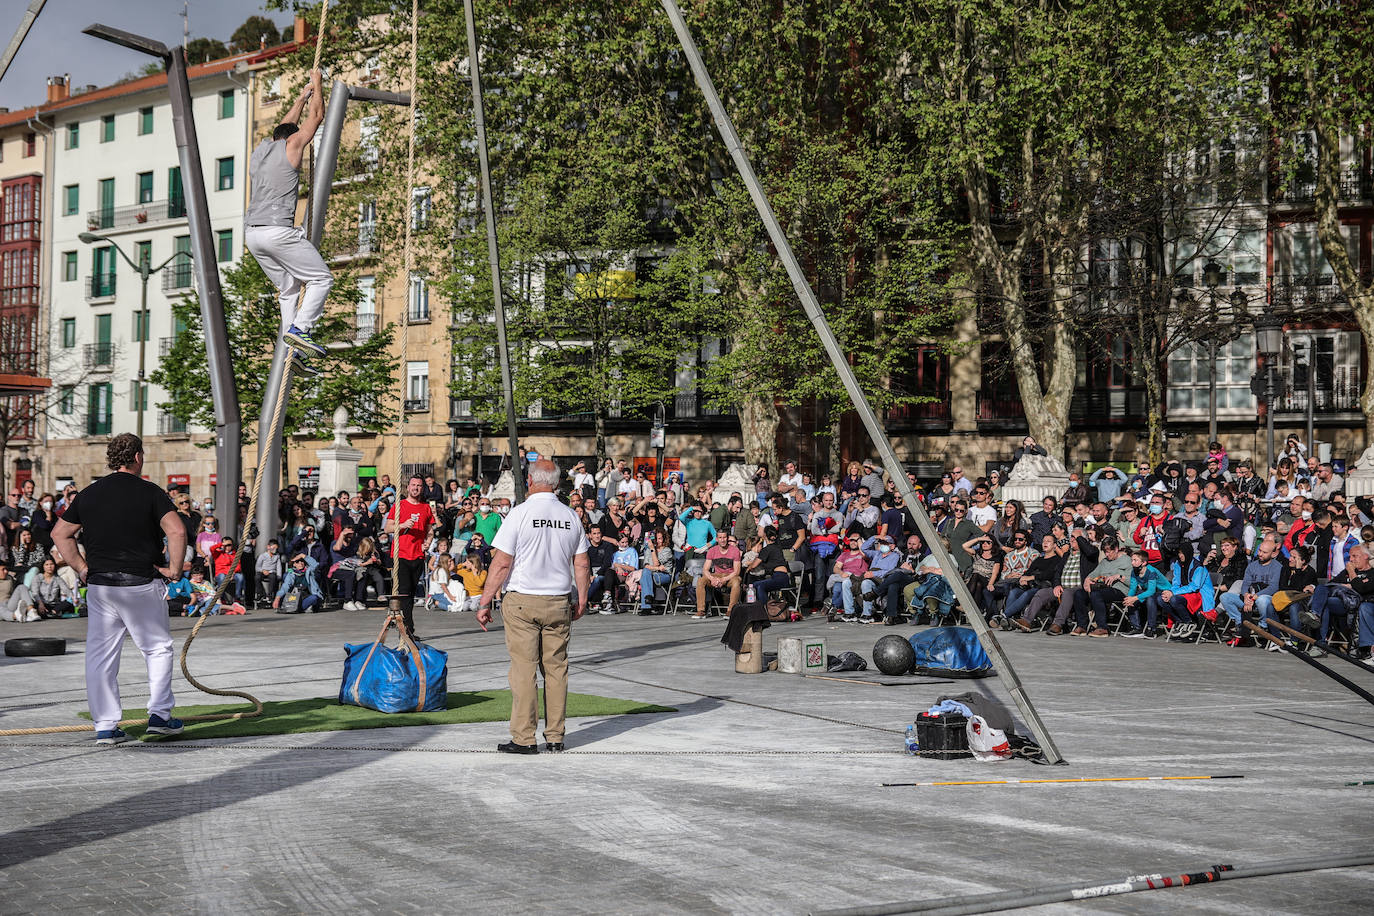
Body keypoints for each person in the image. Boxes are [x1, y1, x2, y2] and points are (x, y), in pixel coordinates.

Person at [51, 434, 187, 745]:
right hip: (141, 581)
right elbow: (177, 529)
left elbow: (61, 534)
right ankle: (160, 717)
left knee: (100, 656)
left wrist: (82, 569)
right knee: (156, 649)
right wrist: (175, 570)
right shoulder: (150, 492)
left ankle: (106, 726)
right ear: (138, 456)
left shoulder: (89, 494)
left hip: (101, 586)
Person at [477, 459, 590, 755]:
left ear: (530, 481)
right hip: (558, 599)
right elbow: (582, 562)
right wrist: (582, 598)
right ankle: (555, 736)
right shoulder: (570, 516)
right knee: (556, 669)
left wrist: (485, 600)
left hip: (524, 599)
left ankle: (524, 738)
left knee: (524, 670)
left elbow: (502, 563)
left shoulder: (520, 514)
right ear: (556, 484)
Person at [244, 68, 332, 372]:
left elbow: (285, 125)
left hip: (252, 236)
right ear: (291, 137)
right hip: (277, 233)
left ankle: (290, 351)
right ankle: (300, 330)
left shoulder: (261, 151)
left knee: (289, 289)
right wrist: (318, 84)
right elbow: (317, 117)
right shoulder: (293, 147)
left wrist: (301, 96)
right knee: (321, 279)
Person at [385, 475, 436, 639]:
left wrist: (427, 542)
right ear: (408, 487)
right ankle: (407, 630)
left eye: (419, 486)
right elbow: (387, 528)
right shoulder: (399, 505)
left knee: (411, 594)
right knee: (405, 593)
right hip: (402, 555)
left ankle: (405, 628)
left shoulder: (426, 508)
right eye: (413, 485)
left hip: (418, 555)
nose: (416, 488)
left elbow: (430, 531)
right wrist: (403, 525)